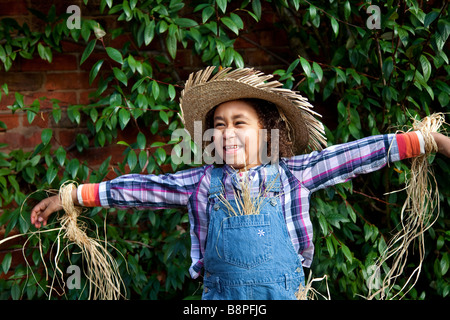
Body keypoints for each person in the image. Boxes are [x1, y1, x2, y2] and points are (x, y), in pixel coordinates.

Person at [30, 66, 450, 300]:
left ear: (266, 129)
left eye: (239, 123)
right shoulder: (198, 183)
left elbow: (356, 155)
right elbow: (139, 189)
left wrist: (429, 140)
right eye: (218, 125)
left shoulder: (294, 174)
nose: (226, 133)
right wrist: (71, 196)